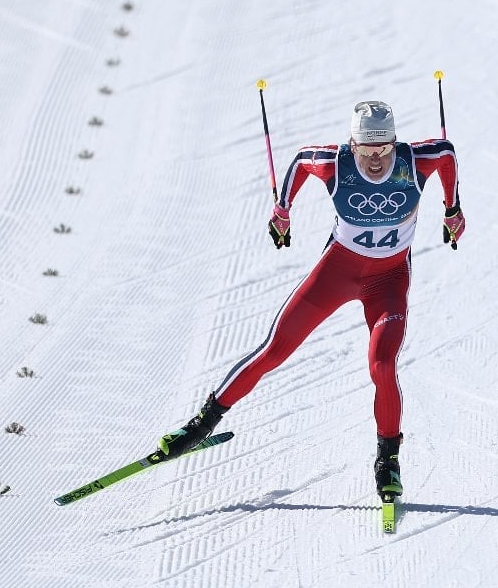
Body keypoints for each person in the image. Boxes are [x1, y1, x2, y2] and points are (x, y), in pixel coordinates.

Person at [157, 101, 465, 499]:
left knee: (383, 365)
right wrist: (282, 211)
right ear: (352, 145)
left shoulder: (414, 161)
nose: (375, 161)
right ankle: (200, 424)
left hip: (388, 281)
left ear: (394, 142)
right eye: (366, 151)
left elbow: (447, 152)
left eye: (383, 150)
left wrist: (452, 209)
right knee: (274, 350)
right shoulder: (336, 164)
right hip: (336, 274)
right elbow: (302, 160)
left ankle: (387, 460)